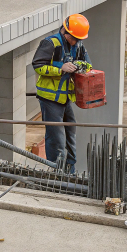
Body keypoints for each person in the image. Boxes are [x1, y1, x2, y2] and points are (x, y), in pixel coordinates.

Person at [31, 14, 92, 172]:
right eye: (75, 38)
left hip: (65, 99)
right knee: (56, 139)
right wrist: (60, 69)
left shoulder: (78, 45)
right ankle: (57, 172)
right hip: (50, 99)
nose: (77, 42)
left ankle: (70, 171)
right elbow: (37, 65)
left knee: (71, 133)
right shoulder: (51, 43)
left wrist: (79, 66)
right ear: (66, 33)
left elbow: (89, 65)